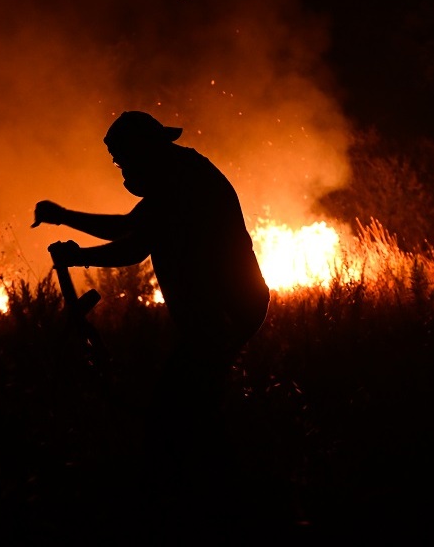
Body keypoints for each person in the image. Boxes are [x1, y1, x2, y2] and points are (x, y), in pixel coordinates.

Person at [31, 110, 270, 526]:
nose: (122, 170)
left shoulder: (181, 183)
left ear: (143, 150)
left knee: (173, 414)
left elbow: (132, 247)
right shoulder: (176, 173)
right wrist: (64, 216)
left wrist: (77, 255)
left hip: (224, 312)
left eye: (122, 159)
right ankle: (229, 502)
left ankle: (198, 508)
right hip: (223, 312)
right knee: (196, 412)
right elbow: (128, 226)